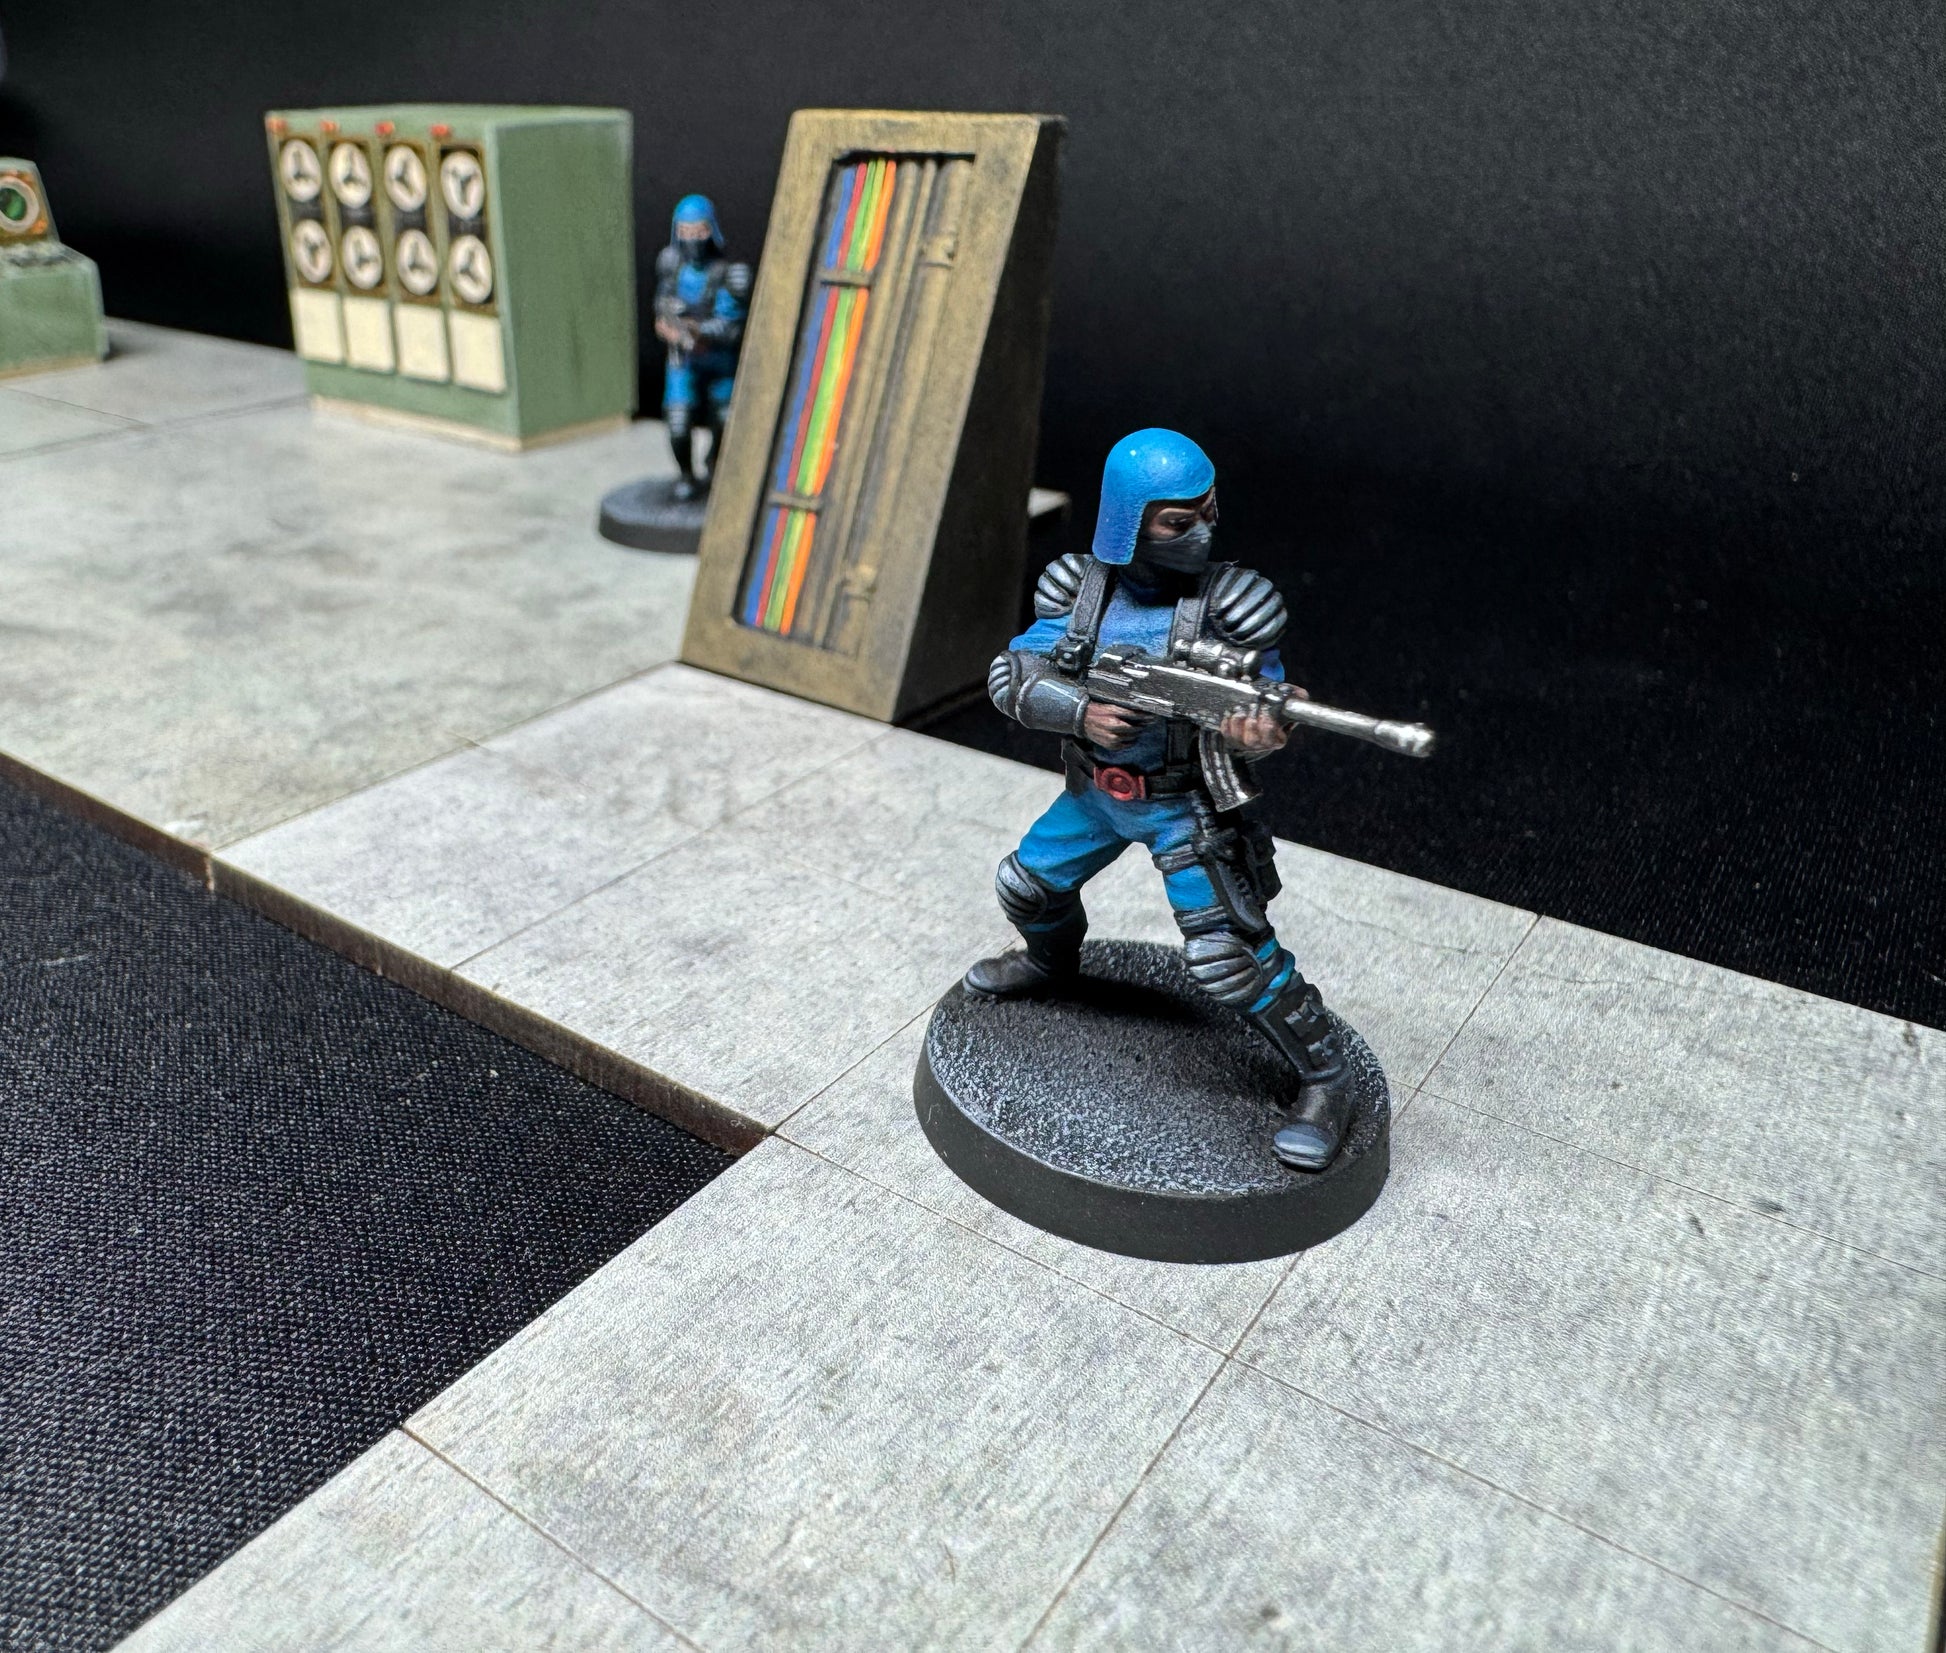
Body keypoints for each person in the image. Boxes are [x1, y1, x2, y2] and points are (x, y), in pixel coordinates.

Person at [967, 428, 1359, 1170]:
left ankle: (1325, 1079)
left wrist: (1256, 734)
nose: (1203, 531)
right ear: (1126, 522)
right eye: (1180, 520)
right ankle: (1052, 964)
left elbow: (1263, 702)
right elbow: (1009, 675)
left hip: (1185, 807)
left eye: (1210, 511)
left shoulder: (1230, 608)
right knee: (1025, 887)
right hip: (1096, 793)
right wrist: (1080, 711)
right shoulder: (1080, 591)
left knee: (1228, 957)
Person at [653, 195, 750, 501]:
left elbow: (732, 327)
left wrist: (699, 329)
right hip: (684, 360)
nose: (692, 239)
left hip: (719, 360)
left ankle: (714, 462)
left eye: (699, 231)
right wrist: (667, 324)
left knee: (726, 417)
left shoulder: (730, 274)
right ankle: (686, 475)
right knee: (678, 421)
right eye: (685, 231)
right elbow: (662, 302)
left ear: (711, 231)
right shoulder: (671, 266)